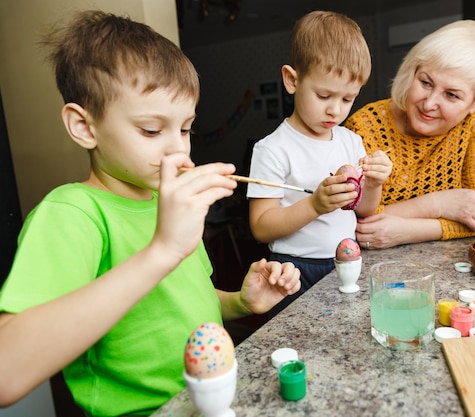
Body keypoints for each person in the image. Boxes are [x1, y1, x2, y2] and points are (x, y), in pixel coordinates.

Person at [0, 10, 301, 416]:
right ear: (84, 127)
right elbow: (8, 373)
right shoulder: (72, 214)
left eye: (185, 129)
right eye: (150, 130)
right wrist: (162, 249)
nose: (179, 150)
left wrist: (239, 302)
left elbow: (180, 301)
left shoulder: (169, 204)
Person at [246, 11, 392, 315]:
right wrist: (315, 205)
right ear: (292, 80)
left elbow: (363, 209)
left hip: (347, 259)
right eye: (324, 95)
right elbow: (261, 227)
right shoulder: (272, 149)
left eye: (347, 98)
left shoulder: (350, 141)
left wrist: (375, 184)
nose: (335, 110)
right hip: (292, 271)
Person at [345, 19, 475, 250]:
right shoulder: (364, 127)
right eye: (426, 82)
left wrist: (407, 231)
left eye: (451, 95)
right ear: (413, 71)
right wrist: (439, 204)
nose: (429, 104)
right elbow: (353, 218)